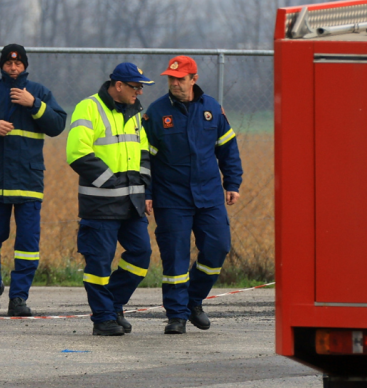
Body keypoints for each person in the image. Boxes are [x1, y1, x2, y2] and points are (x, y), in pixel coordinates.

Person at [0, 44, 66, 317]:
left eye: (18, 63)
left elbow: (57, 125)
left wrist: (34, 105)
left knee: (27, 246)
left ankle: (18, 298)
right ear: (2, 66)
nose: (14, 67)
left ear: (25, 66)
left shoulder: (39, 92)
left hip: (28, 181)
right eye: (9, 63)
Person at [144, 55, 243, 334]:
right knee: (175, 257)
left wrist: (232, 183)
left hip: (208, 195)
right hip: (171, 197)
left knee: (218, 247)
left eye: (180, 79)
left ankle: (193, 300)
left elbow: (228, 148)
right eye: (171, 79)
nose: (174, 83)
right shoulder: (156, 112)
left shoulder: (212, 109)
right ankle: (176, 315)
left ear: (193, 79)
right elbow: (144, 158)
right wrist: (147, 192)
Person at [66, 63, 155, 336]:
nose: (140, 92)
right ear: (118, 85)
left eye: (141, 87)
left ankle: (113, 304)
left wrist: (143, 188)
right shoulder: (89, 108)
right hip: (101, 204)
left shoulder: (135, 112)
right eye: (135, 87)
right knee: (99, 263)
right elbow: (77, 152)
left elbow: (143, 152)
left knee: (141, 255)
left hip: (132, 203)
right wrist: (112, 182)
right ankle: (103, 318)